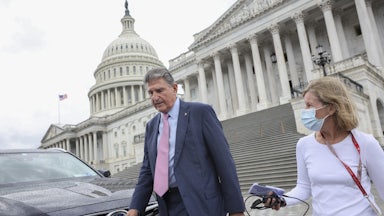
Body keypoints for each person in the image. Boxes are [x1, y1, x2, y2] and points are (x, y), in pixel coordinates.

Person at [126, 68, 245, 216]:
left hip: (202, 205)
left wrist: (236, 209)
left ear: (174, 88)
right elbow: (147, 171)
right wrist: (135, 207)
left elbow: (224, 163)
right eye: (151, 93)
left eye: (159, 90)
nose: (155, 97)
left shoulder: (200, 113)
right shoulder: (151, 126)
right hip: (167, 206)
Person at [264, 76, 384, 215]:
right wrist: (280, 199)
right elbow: (303, 188)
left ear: (331, 108)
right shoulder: (304, 145)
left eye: (310, 105)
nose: (304, 110)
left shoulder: (365, 143)